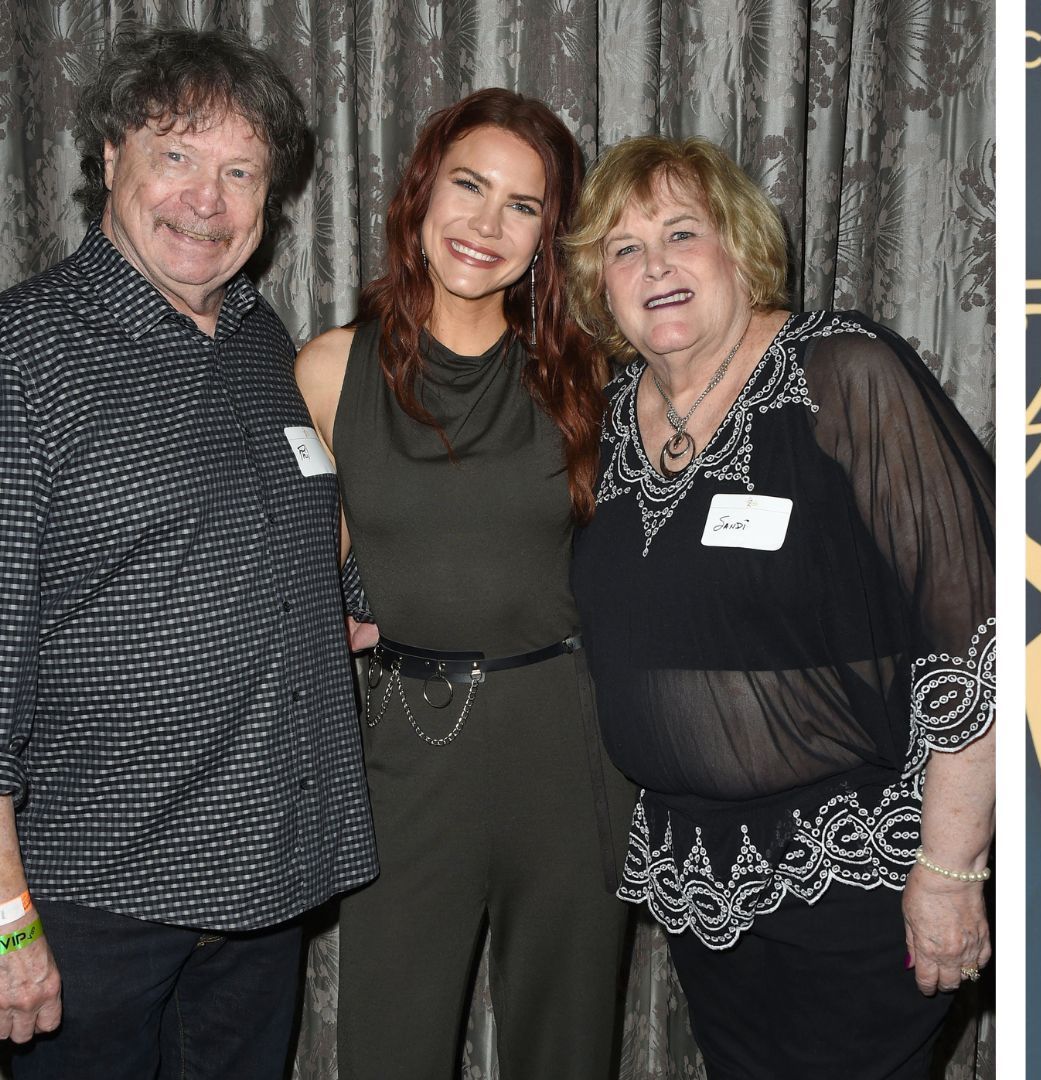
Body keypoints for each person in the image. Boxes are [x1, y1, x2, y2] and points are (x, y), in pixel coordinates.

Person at [565, 136, 995, 1079]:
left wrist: (950, 869)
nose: (655, 266)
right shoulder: (604, 418)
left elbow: (978, 643)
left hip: (854, 874)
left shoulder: (842, 371)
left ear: (741, 246)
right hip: (697, 882)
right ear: (600, 284)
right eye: (625, 249)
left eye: (682, 233)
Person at [0, 24, 377, 1078]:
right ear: (109, 156)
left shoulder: (261, 339)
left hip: (262, 889)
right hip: (93, 902)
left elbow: (292, 537)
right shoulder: (23, 354)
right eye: (177, 156)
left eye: (240, 171)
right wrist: (6, 920)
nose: (206, 200)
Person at [292, 89, 631, 1078]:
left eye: (522, 205)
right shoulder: (330, 369)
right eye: (468, 186)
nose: (486, 224)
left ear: (548, 235)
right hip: (408, 741)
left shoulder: (593, 374)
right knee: (387, 1047)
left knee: (566, 1047)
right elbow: (305, 567)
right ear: (421, 193)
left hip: (568, 740)